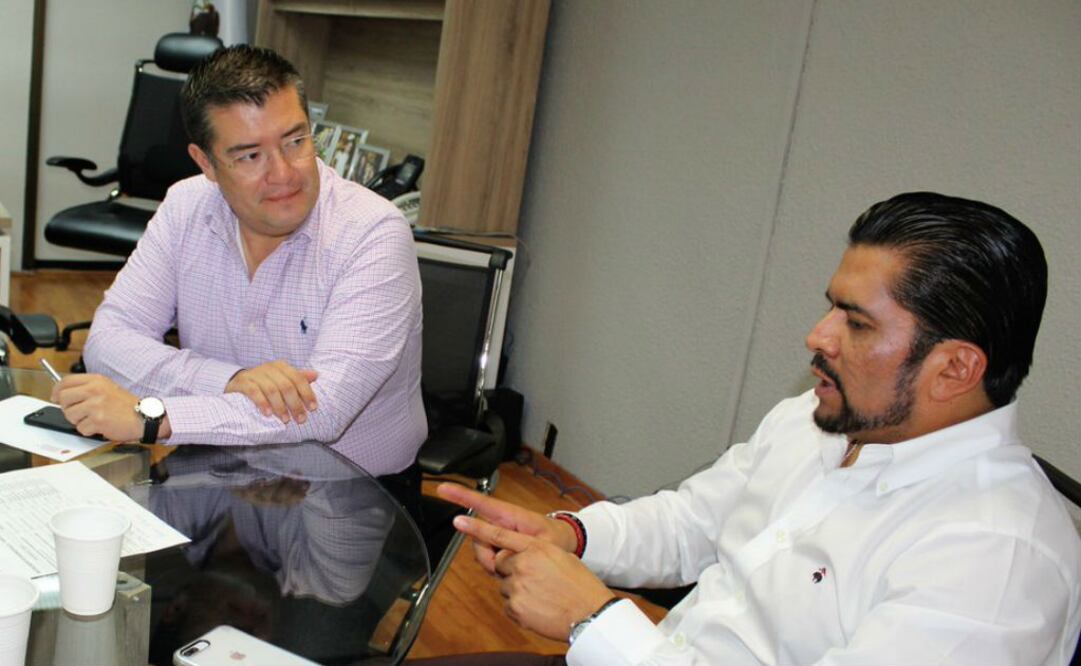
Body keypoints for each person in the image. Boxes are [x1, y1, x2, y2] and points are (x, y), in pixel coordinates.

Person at [424, 192, 1081, 665]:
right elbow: (694, 521)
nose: (816, 337)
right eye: (829, 306)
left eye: (855, 323)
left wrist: (594, 620)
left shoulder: (996, 562)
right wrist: (571, 533)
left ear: (954, 369)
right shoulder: (817, 419)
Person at [51, 46, 427, 489]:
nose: (284, 174)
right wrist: (230, 381)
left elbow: (323, 410)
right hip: (212, 471)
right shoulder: (185, 206)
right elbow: (109, 340)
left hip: (349, 491)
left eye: (296, 141)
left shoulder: (373, 232)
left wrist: (154, 419)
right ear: (206, 163)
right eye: (250, 156)